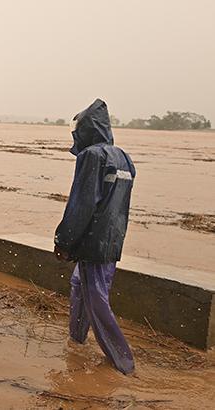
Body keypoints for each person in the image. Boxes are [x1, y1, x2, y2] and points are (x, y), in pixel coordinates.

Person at [54, 98, 136, 375]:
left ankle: (122, 361)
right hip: (113, 240)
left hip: (92, 242)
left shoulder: (92, 156)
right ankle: (76, 340)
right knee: (80, 285)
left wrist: (63, 242)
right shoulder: (123, 157)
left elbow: (82, 203)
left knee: (95, 298)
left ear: (87, 130)